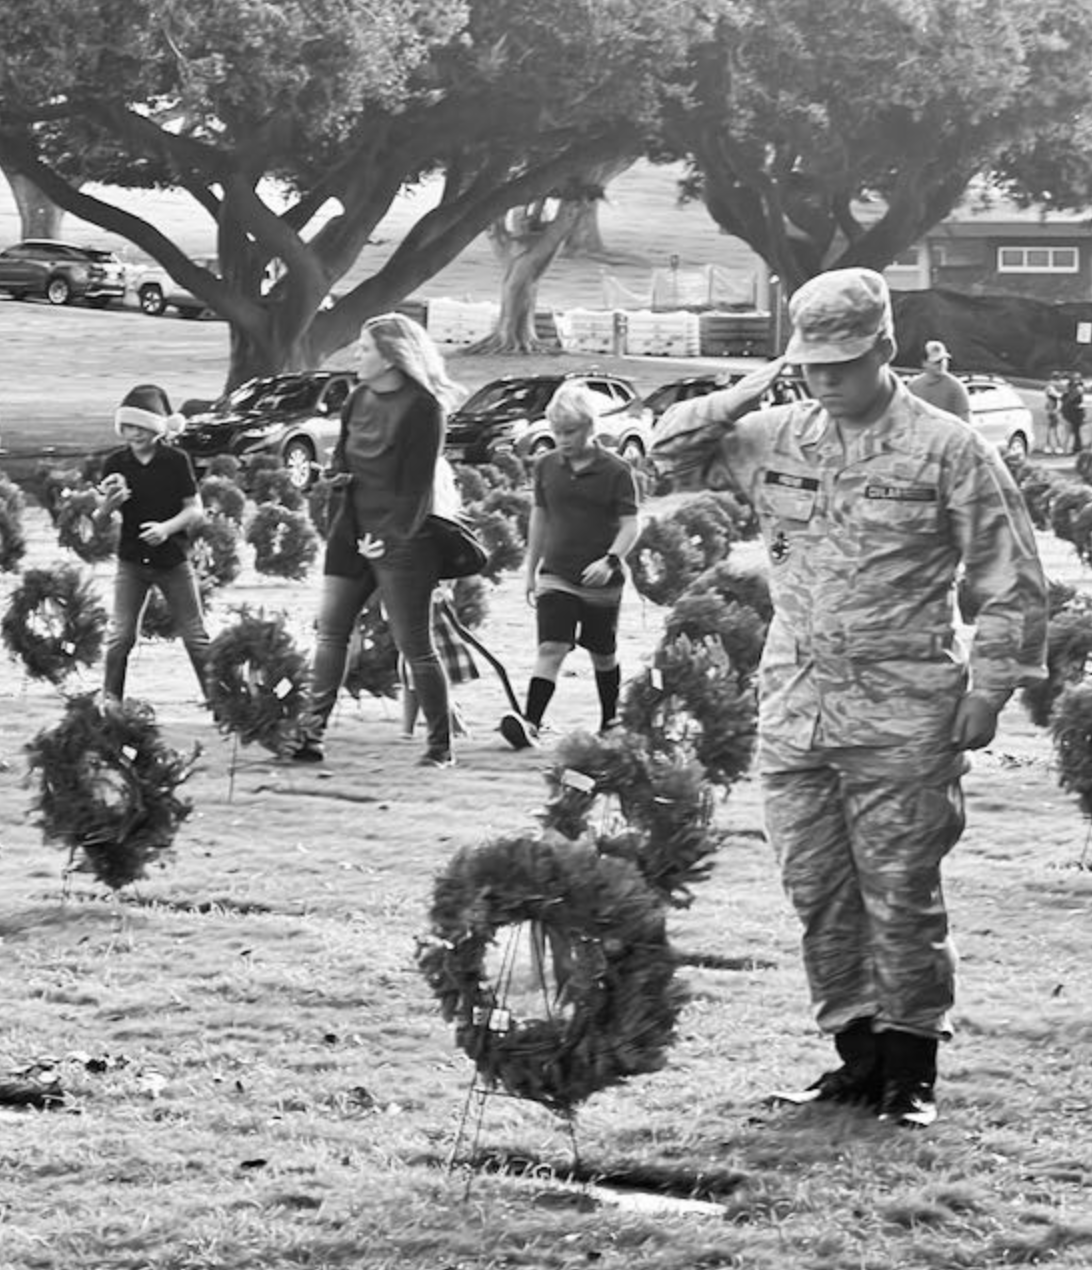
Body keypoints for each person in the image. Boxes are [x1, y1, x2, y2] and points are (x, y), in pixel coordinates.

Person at [651, 268, 1047, 1128]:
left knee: (901, 888)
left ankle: (911, 1067)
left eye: (843, 360)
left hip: (905, 701)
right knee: (817, 888)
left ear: (884, 348)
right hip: (797, 703)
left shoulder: (947, 446)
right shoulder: (774, 434)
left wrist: (991, 687)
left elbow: (1011, 579)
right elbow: (666, 453)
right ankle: (855, 1055)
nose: (826, 378)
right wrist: (753, 384)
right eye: (812, 362)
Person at [289, 313, 463, 767]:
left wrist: (385, 539)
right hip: (351, 531)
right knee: (331, 633)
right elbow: (347, 460)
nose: (356, 356)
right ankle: (309, 736)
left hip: (404, 539)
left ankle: (440, 748)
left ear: (390, 356)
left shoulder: (425, 408)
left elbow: (416, 488)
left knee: (414, 645)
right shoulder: (357, 398)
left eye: (365, 349)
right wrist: (331, 479)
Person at [499, 382, 640, 749]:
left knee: (602, 652)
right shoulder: (545, 466)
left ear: (590, 428)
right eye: (557, 431)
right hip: (556, 575)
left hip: (601, 581)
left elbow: (630, 525)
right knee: (551, 648)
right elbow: (539, 518)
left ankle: (610, 720)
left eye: (571, 431)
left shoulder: (616, 471)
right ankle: (531, 723)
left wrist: (611, 561)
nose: (562, 438)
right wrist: (530, 571)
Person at [96, 384, 211, 703]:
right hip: (131, 562)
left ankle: (219, 701)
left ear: (157, 428)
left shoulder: (176, 460)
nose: (134, 434)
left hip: (173, 561)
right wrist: (108, 506)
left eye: (141, 427)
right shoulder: (115, 465)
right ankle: (111, 701)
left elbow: (194, 509)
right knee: (120, 636)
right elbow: (100, 521)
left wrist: (166, 529)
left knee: (195, 636)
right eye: (128, 426)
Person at [906, 339, 971, 422]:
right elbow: (908, 416)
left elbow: (966, 419)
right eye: (937, 362)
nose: (942, 364)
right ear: (924, 363)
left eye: (944, 360)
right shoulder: (913, 386)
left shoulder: (956, 387)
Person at [1061, 372, 1085, 455]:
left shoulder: (1078, 388)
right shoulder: (1073, 387)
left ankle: (1076, 449)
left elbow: (1070, 399)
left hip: (1075, 413)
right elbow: (1066, 399)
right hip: (1072, 412)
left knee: (1075, 431)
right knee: (1074, 431)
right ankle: (1075, 448)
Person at [1044, 371, 1065, 455]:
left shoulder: (1050, 386)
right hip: (1053, 409)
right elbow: (1058, 396)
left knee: (1051, 429)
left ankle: (1049, 446)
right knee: (1055, 429)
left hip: (1051, 409)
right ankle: (1057, 447)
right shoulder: (1052, 387)